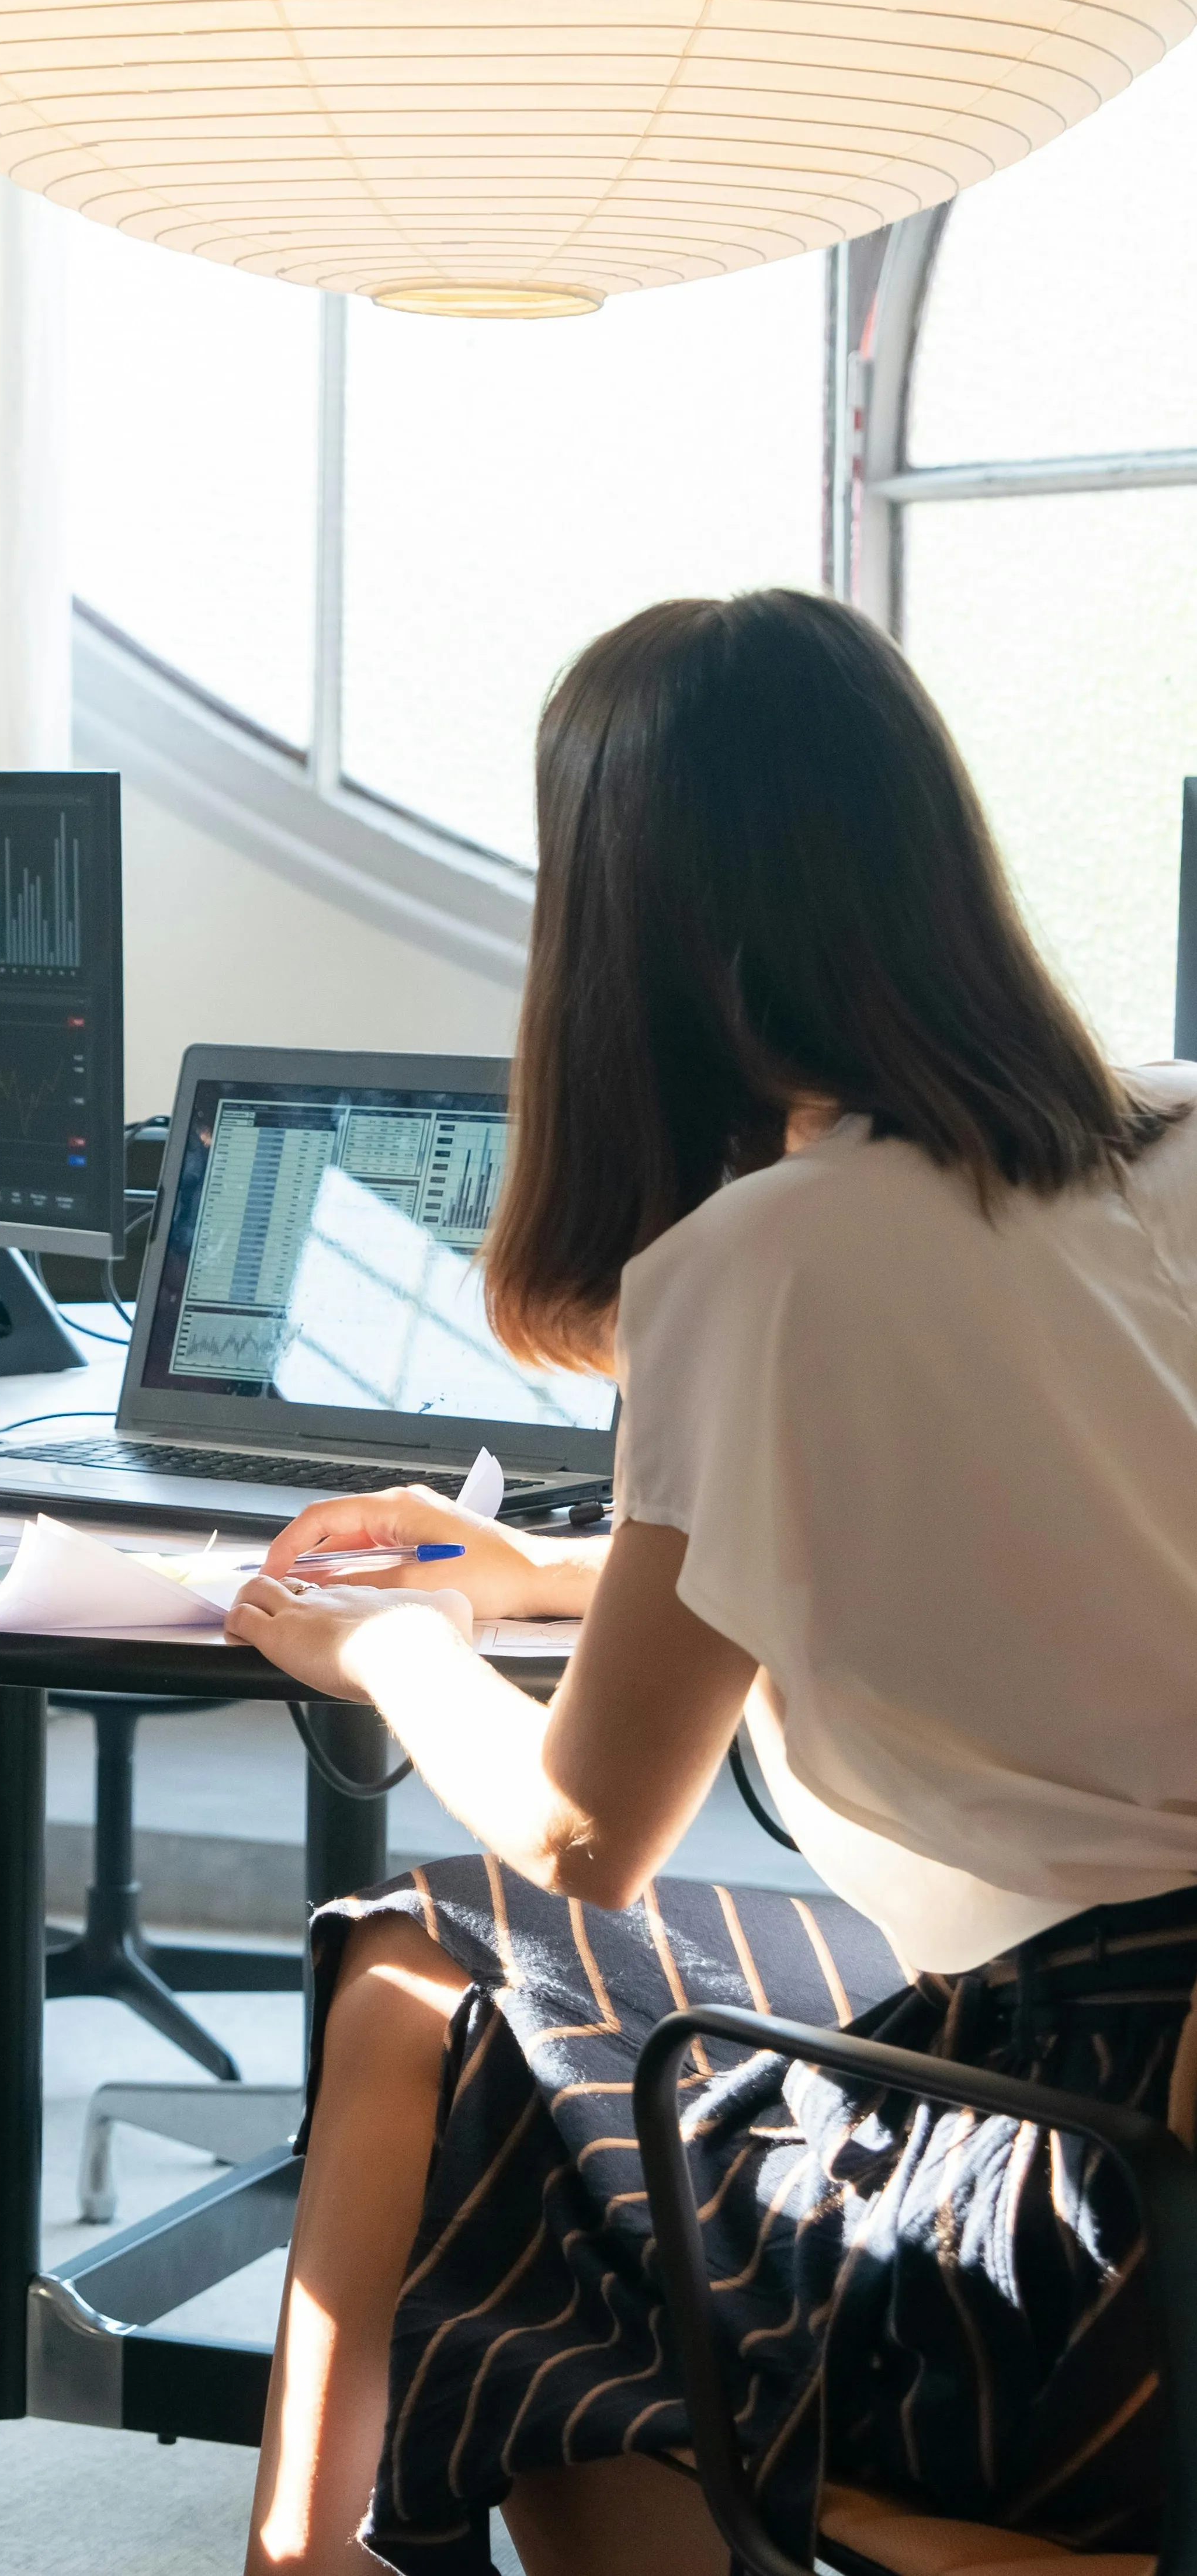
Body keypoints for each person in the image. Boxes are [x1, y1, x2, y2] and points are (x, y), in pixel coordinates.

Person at [228, 588, 1197, 2576]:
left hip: (1074, 2225)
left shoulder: (771, 1257)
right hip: (1157, 2140)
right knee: (460, 2005)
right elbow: (1051, 1531)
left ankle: (303, 2552)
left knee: (450, 1977)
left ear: (637, 930)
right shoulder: (1172, 1134)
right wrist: (553, 1568)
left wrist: (400, 1640)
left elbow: (591, 1828)